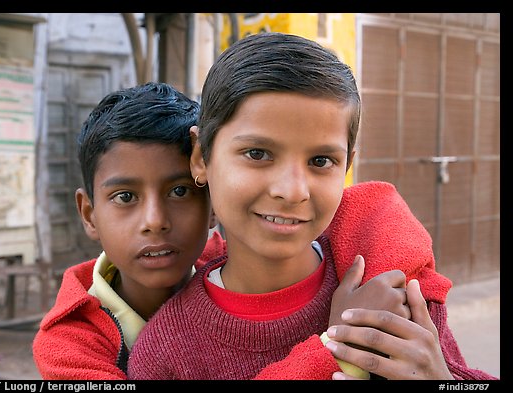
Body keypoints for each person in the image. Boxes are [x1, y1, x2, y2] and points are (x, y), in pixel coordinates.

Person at [127, 32, 498, 380]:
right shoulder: (166, 352)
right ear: (201, 157)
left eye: (321, 161)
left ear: (347, 165)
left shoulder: (395, 289)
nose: (293, 191)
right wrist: (336, 343)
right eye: (257, 154)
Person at [32, 81, 411, 380]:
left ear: (211, 189)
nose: (154, 220)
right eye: (125, 196)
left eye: (180, 191)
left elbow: (374, 206)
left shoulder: (234, 262)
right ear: (88, 213)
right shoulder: (68, 342)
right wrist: (338, 342)